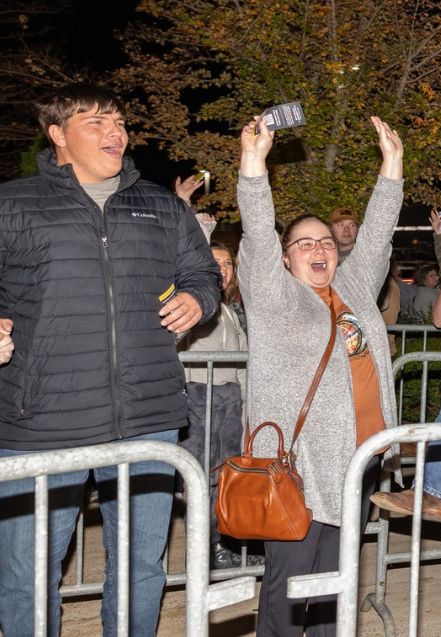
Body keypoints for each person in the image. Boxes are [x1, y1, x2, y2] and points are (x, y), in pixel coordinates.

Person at [0, 83, 220, 637]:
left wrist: (197, 298)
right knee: (27, 574)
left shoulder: (161, 205)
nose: (114, 132)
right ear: (58, 136)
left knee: (141, 569)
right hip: (42, 422)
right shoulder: (13, 203)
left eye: (118, 120)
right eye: (95, 121)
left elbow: (203, 273)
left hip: (147, 419)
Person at [237, 113, 401, 636]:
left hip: (359, 459)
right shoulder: (275, 298)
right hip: (299, 468)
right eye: (305, 243)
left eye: (326, 241)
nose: (319, 248)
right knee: (289, 591)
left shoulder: (352, 291)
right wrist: (254, 166)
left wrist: (392, 168)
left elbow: (374, 238)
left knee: (336, 587)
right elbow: (259, 237)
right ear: (285, 261)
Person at [179, 230, 256, 569]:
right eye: (214, 263)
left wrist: (247, 404)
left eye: (227, 264)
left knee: (225, 478)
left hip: (229, 402)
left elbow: (242, 364)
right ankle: (207, 548)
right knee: (200, 480)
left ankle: (223, 543)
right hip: (197, 400)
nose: (223, 269)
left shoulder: (228, 310)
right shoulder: (191, 303)